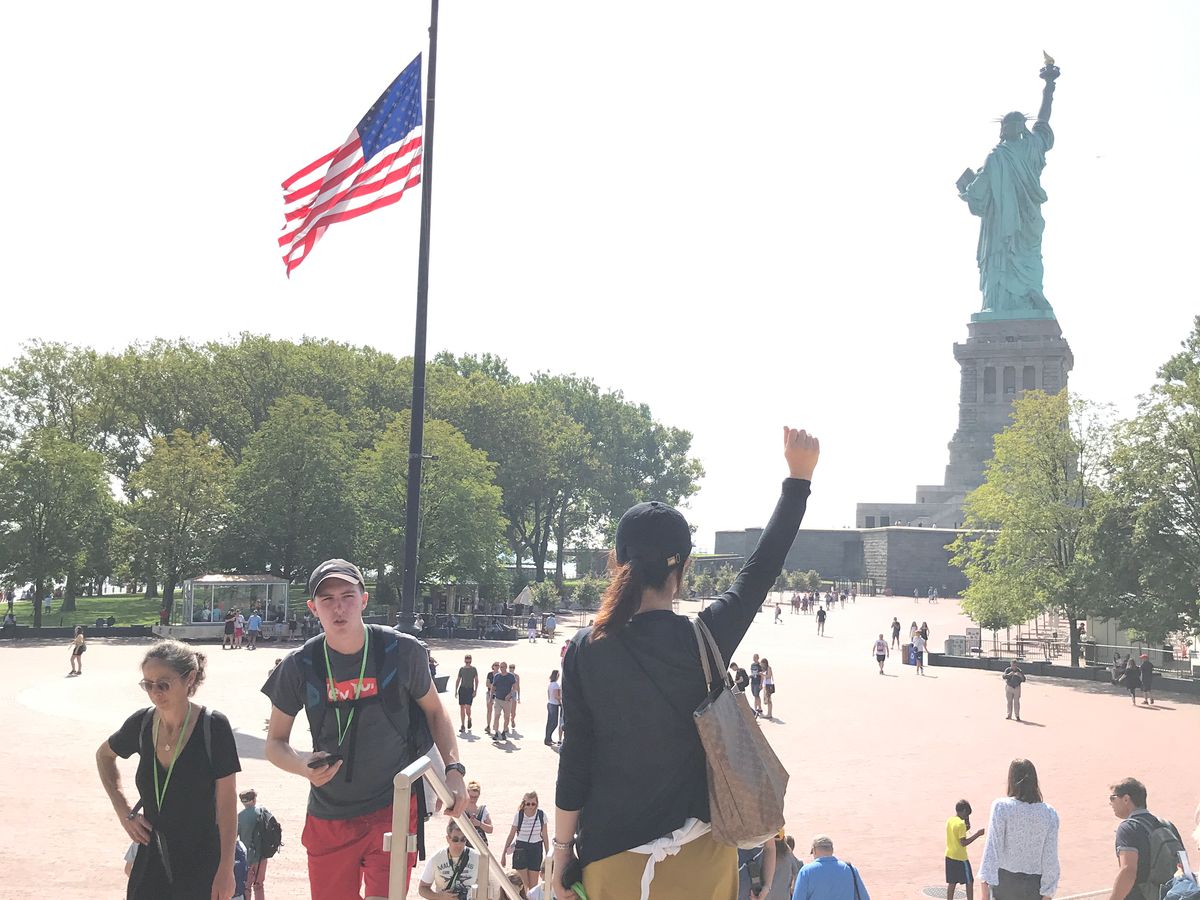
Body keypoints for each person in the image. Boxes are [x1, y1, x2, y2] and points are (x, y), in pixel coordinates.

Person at [554, 426, 819, 900]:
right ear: (683, 567)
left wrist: (560, 853)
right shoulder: (706, 637)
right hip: (703, 858)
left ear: (617, 562)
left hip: (614, 861)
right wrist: (798, 479)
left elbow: (575, 760)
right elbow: (761, 568)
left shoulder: (585, 648)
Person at [261, 558, 467, 900]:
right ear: (313, 607)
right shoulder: (300, 664)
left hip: (394, 806)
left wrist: (454, 770)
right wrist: (301, 765)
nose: (338, 607)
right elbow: (275, 743)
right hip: (329, 813)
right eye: (327, 599)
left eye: (348, 596)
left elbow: (435, 712)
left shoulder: (402, 650)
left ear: (364, 600)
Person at [96, 640, 241, 899]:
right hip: (151, 860)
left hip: (201, 864)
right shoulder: (141, 723)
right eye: (147, 685)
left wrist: (226, 869)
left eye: (163, 684)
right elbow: (104, 756)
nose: (155, 693)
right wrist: (123, 810)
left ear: (190, 679)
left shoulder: (213, 727)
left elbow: (228, 806)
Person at [978, 758, 1060, 900]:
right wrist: (1048, 893)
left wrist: (984, 894)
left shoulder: (1001, 808)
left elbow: (991, 852)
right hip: (1033, 888)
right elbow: (1050, 859)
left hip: (1004, 886)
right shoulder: (1050, 814)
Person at [1105, 777, 1185, 900]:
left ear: (1126, 799)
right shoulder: (1167, 825)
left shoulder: (1128, 828)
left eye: (1112, 798)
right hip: (1172, 895)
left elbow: (1128, 871)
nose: (1110, 803)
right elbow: (1183, 864)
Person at [790, 834, 870, 900]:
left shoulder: (806, 872)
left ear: (814, 850)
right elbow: (864, 897)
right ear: (832, 850)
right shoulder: (850, 870)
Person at [418, 820, 479, 900]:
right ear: (448, 839)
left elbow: (489, 885)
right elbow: (422, 888)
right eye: (455, 839)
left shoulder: (477, 857)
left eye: (463, 839)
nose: (459, 844)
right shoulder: (436, 859)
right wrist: (440, 896)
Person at [504, 791, 549, 893]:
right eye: (528, 804)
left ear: (537, 804)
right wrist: (503, 854)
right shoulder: (519, 815)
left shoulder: (541, 815)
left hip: (536, 848)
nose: (531, 807)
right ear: (524, 803)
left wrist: (548, 854)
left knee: (533, 885)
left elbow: (545, 836)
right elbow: (511, 834)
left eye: (533, 804)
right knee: (523, 883)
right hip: (521, 848)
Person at [946, 800, 985, 900]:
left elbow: (959, 832)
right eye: (967, 814)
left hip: (949, 856)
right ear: (964, 811)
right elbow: (963, 842)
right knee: (969, 881)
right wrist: (977, 834)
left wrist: (967, 821)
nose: (967, 816)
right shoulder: (961, 824)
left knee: (952, 882)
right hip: (960, 858)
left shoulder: (950, 820)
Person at [236, 789, 271, 900]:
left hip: (247, 857)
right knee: (259, 886)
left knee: (246, 887)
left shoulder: (239, 817)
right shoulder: (263, 811)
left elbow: (234, 837)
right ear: (254, 799)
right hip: (262, 855)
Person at [767, 832, 802, 900]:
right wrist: (793, 888)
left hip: (766, 896)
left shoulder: (764, 853)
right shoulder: (788, 853)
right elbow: (797, 871)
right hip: (783, 896)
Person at [491, 661, 517, 741]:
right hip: (498, 699)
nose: (501, 668)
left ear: (506, 667)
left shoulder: (511, 676)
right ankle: (496, 732)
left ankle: (504, 731)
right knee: (497, 715)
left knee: (506, 717)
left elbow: (515, 687)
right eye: (500, 667)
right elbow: (493, 687)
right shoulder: (497, 676)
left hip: (507, 701)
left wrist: (510, 694)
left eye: (502, 667)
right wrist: (491, 697)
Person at [463, 780, 493, 846]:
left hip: (480, 846)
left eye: (475, 797)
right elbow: (451, 827)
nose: (473, 799)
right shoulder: (461, 810)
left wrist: (479, 824)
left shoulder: (483, 810)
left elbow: (490, 829)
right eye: (471, 796)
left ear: (479, 795)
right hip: (464, 845)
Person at [455, 654, 478, 734]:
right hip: (462, 689)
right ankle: (462, 725)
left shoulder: (474, 669)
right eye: (466, 660)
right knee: (462, 707)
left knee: (468, 707)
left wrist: (475, 690)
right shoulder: (461, 669)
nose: (468, 662)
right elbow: (458, 679)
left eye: (469, 660)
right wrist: (456, 690)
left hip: (469, 689)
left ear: (471, 660)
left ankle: (469, 718)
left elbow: (476, 680)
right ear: (464, 660)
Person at [546, 669, 563, 746]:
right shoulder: (555, 685)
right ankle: (548, 738)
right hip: (554, 705)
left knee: (549, 722)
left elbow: (549, 695)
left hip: (550, 703)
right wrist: (562, 699)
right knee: (554, 723)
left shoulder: (550, 684)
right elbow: (556, 696)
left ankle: (548, 738)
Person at [485, 662, 500, 736]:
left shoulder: (500, 675)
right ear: (493, 666)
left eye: (498, 665)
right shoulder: (490, 674)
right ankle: (488, 725)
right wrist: (493, 687)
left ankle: (495, 725)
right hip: (490, 693)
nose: (497, 667)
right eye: (495, 665)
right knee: (489, 710)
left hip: (498, 694)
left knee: (497, 711)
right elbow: (487, 684)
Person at [750, 653, 764, 717]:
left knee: (756, 695)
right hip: (753, 682)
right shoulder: (752, 665)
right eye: (753, 657)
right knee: (755, 695)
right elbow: (752, 673)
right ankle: (759, 708)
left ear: (758, 658)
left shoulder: (760, 666)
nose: (754, 659)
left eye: (755, 657)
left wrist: (761, 684)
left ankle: (756, 709)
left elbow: (762, 676)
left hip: (758, 683)